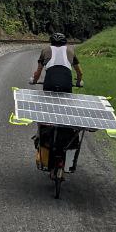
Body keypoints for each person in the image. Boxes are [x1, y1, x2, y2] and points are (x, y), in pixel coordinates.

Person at [31, 32, 84, 171]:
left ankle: (41, 136)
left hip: (49, 84)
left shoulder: (45, 51)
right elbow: (79, 73)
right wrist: (78, 83)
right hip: (66, 86)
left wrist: (34, 81)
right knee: (65, 111)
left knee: (47, 111)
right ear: (65, 43)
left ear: (51, 43)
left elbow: (38, 72)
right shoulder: (71, 51)